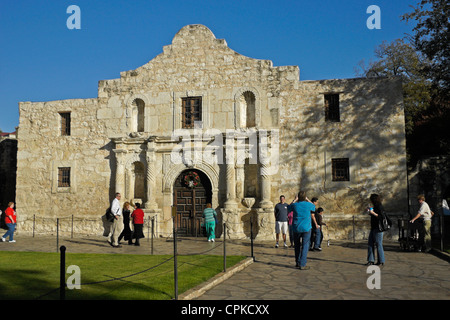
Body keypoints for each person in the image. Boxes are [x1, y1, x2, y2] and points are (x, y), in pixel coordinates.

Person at [287, 191, 316, 270]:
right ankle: (302, 264)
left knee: (297, 246)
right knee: (305, 245)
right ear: (305, 197)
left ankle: (297, 262)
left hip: (296, 228)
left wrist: (295, 200)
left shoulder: (295, 205)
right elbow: (314, 206)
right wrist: (308, 199)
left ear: (298, 197)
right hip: (306, 228)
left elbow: (288, 208)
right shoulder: (308, 205)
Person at [366, 194, 386, 266]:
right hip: (373, 227)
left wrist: (373, 213)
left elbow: (381, 217)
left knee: (378, 244)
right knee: (370, 243)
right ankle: (371, 260)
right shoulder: (375, 206)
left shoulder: (380, 206)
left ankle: (381, 261)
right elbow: (374, 216)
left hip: (378, 228)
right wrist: (370, 212)